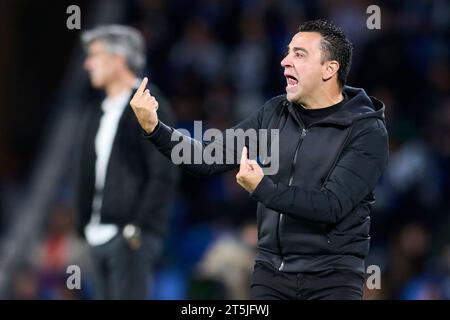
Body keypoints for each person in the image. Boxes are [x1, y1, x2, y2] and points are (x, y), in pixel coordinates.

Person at [130, 20, 389, 300]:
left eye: (299, 54)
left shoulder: (366, 130)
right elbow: (206, 157)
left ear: (330, 69)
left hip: (332, 279)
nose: (284, 61)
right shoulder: (275, 113)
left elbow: (331, 206)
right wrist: (155, 128)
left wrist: (261, 187)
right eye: (288, 52)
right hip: (271, 276)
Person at [74, 25, 177, 299]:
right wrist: (83, 225)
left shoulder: (150, 105)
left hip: (130, 236)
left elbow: (163, 172)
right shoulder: (96, 111)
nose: (87, 64)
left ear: (118, 60)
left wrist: (138, 227)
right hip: (97, 235)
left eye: (94, 55)